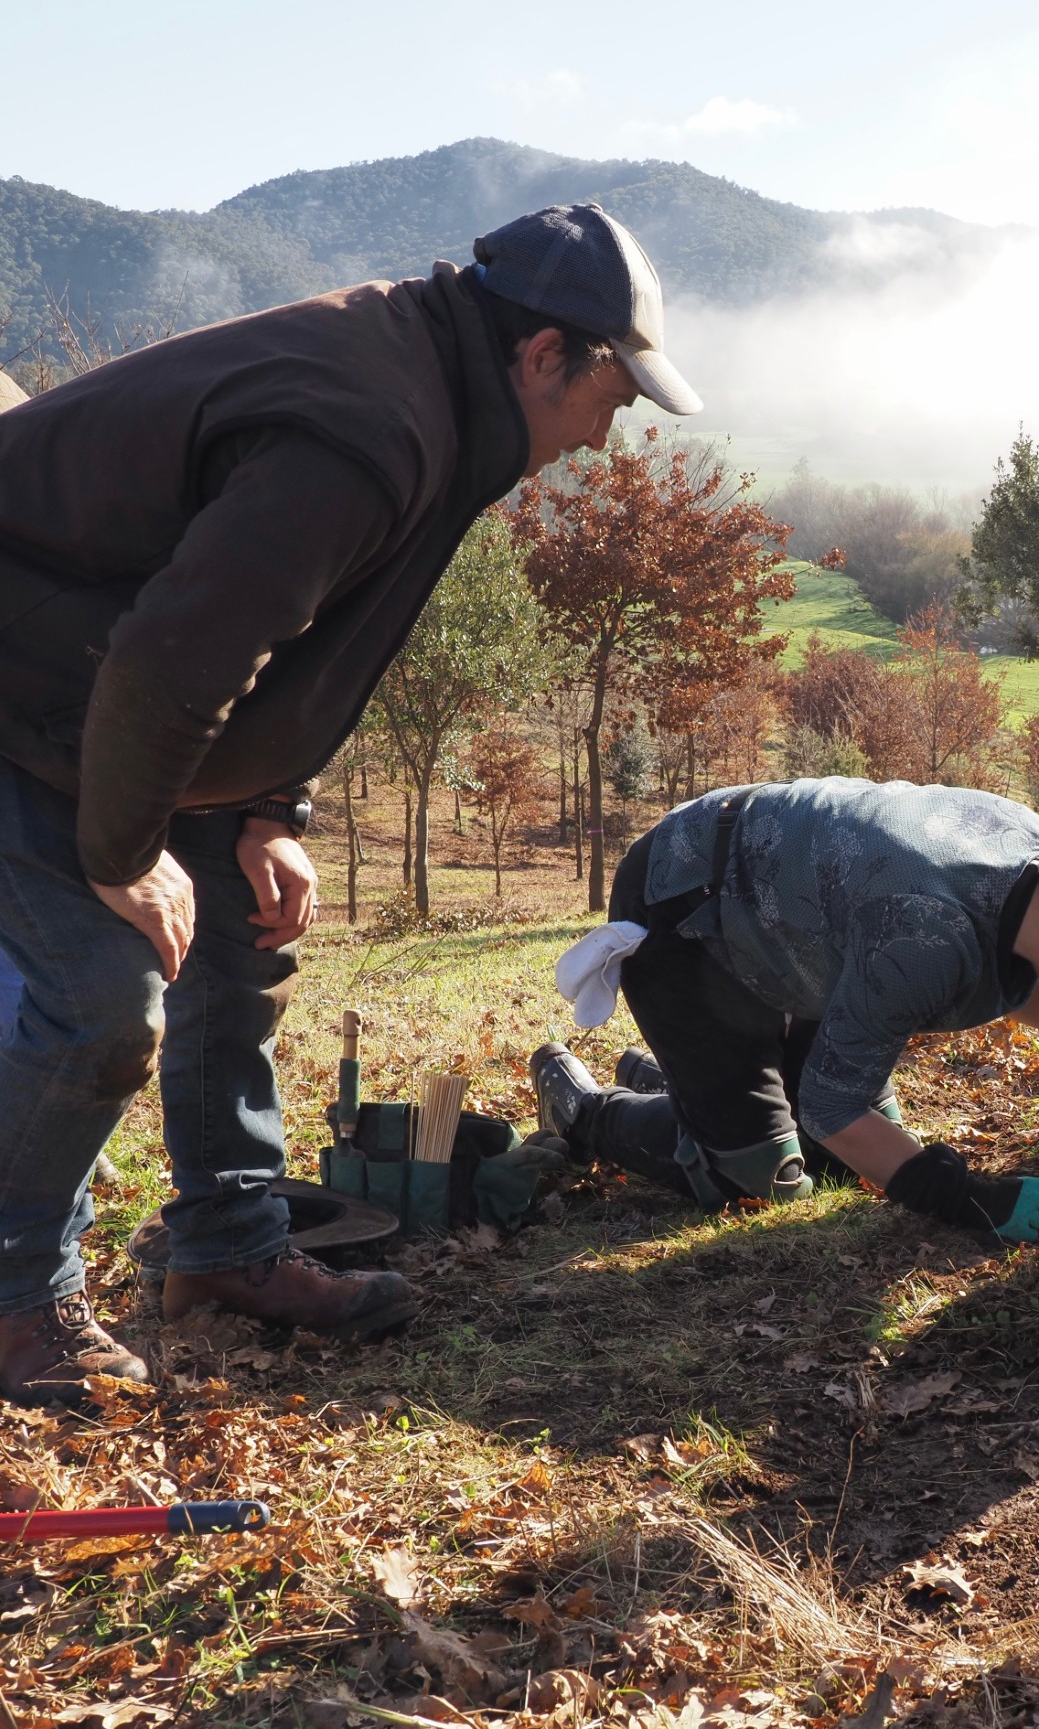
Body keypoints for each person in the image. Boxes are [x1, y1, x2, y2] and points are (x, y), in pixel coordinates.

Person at [0, 201, 702, 1407]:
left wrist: (271, 804)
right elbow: (175, 657)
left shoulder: (427, 395)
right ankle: (16, 1307)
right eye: (613, 397)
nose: (609, 435)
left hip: (105, 685)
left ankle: (224, 1247)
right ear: (542, 356)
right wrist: (122, 851)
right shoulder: (371, 425)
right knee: (100, 1002)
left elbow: (302, 632)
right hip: (37, 691)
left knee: (243, 938)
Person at [532, 777, 1039, 1239]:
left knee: (844, 1167)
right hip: (690, 914)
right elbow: (834, 1109)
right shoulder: (923, 936)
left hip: (811, 927)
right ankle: (590, 1110)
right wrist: (973, 1200)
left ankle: (695, 1087)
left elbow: (1026, 965)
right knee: (760, 1180)